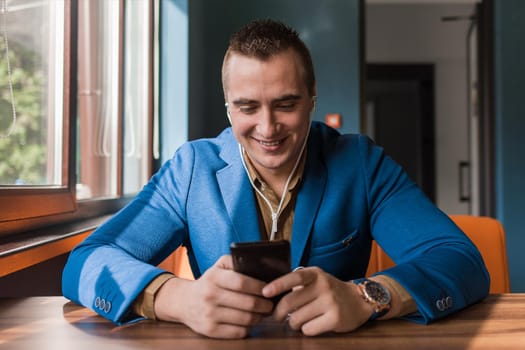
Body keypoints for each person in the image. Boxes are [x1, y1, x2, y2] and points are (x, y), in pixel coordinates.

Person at [62, 19, 489, 339]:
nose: (268, 128)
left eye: (285, 104)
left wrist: (367, 298)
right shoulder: (191, 168)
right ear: (227, 107)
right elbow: (86, 262)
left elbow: (461, 261)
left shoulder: (360, 162)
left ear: (312, 98)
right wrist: (177, 299)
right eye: (247, 107)